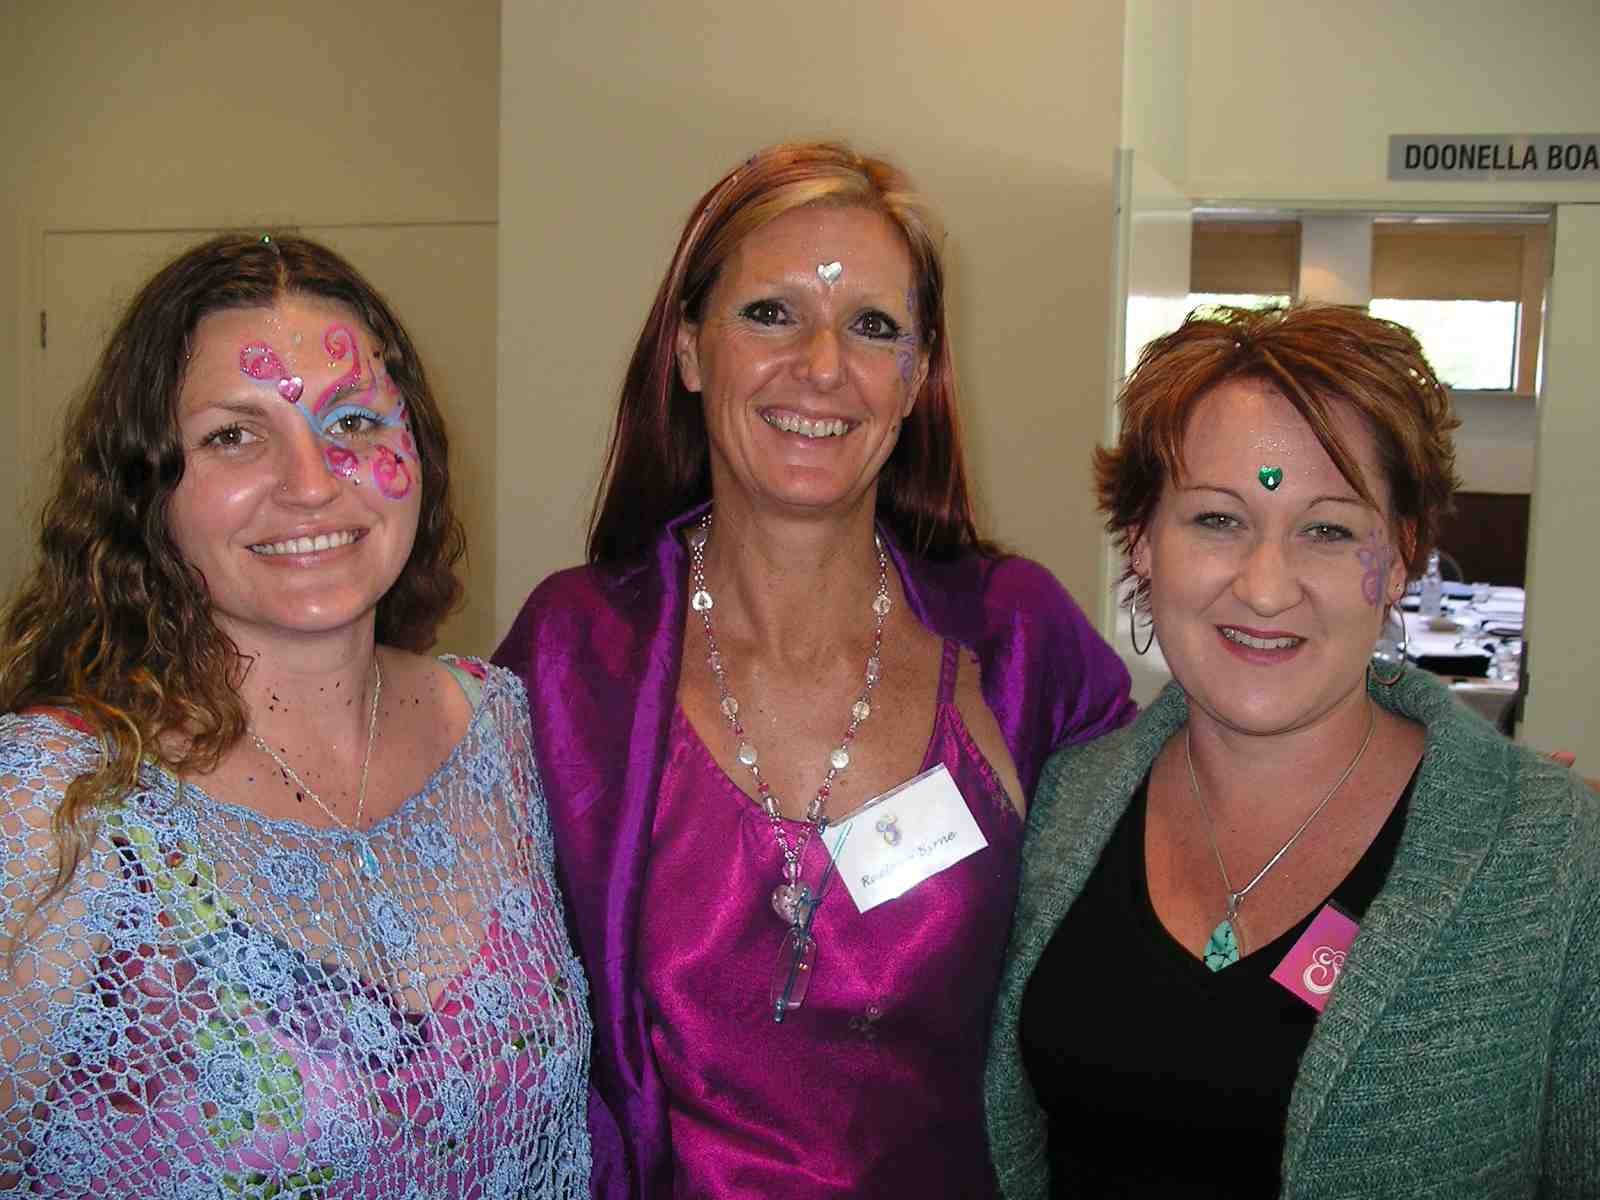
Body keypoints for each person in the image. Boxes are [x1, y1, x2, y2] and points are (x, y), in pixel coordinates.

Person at [493, 141, 1135, 1197]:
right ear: (688, 350)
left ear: (916, 378)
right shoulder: (575, 654)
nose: (823, 366)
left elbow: (1149, 950)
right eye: (770, 313)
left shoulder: (1020, 645)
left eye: (872, 327)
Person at [0, 234, 593, 1196]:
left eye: (353, 420)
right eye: (233, 436)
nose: (313, 482)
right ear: (147, 485)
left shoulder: (508, 729)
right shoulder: (56, 804)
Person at [986, 304, 1599, 1197]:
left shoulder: (1552, 857)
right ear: (1141, 542)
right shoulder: (1059, 808)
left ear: (1400, 558)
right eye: (1216, 520)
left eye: (1328, 530)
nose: (1267, 589)